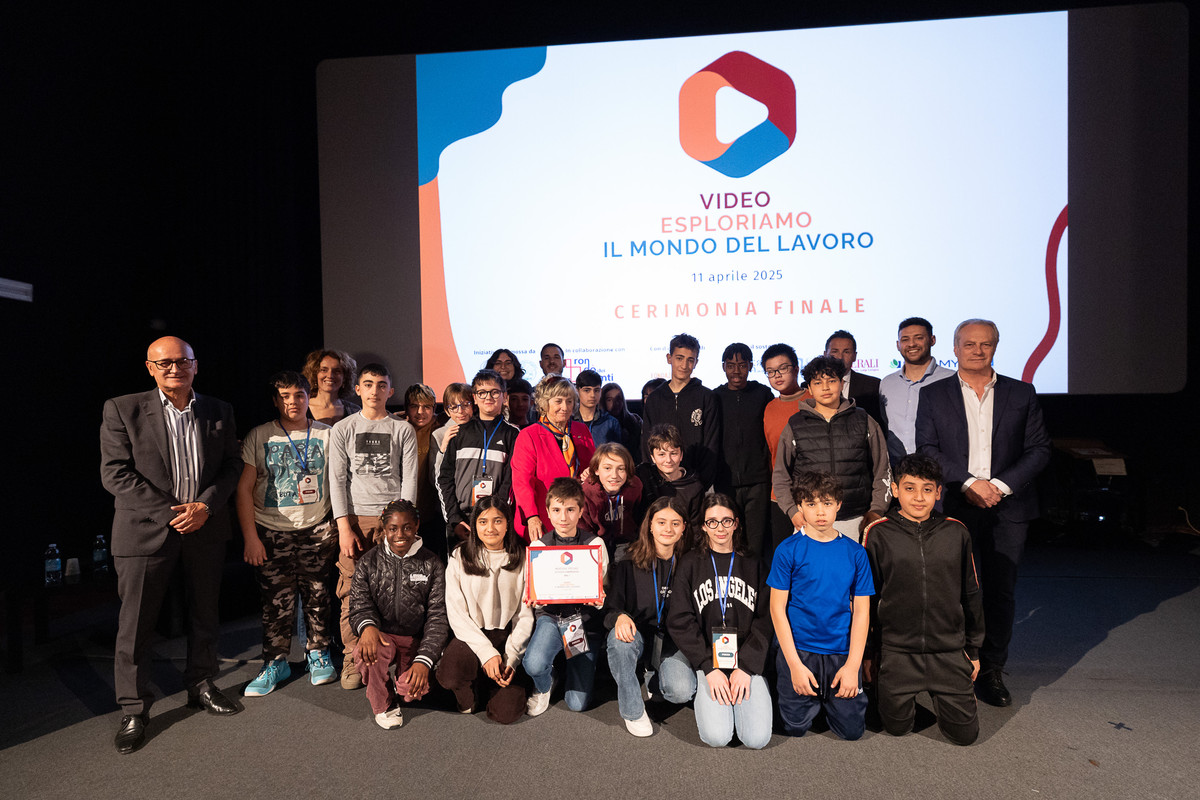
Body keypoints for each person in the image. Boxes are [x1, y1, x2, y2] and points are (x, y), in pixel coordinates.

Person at [100, 336, 242, 754]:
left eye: (182, 361)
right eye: (164, 363)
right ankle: (134, 708)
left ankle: (201, 684)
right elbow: (115, 473)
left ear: (195, 365)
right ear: (150, 368)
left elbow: (232, 464)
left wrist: (205, 507)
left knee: (205, 614)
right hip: (145, 530)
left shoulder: (219, 409)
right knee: (136, 625)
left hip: (205, 527)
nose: (174, 369)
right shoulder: (122, 408)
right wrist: (172, 513)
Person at [916, 318, 1050, 707]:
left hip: (1009, 507)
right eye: (969, 344)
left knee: (1000, 591)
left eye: (985, 344)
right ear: (954, 349)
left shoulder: (1021, 393)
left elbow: (1039, 449)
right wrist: (970, 483)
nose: (977, 350)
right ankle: (957, 667)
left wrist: (1000, 486)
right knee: (954, 590)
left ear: (995, 347)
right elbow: (927, 448)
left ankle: (991, 669)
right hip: (958, 503)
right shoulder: (934, 394)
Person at [863, 453, 984, 745]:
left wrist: (973, 650)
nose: (919, 497)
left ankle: (948, 694)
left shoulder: (956, 531)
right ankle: (888, 691)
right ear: (895, 490)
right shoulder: (877, 534)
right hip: (898, 651)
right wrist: (869, 653)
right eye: (910, 488)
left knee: (965, 736)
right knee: (897, 728)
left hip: (948, 650)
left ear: (938, 492)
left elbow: (971, 593)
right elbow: (867, 599)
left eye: (927, 489)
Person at [236, 371, 338, 697]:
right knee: (275, 602)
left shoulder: (327, 434)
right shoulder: (260, 435)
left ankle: (318, 654)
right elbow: (243, 490)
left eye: (298, 395)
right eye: (284, 396)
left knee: (318, 596)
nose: (292, 402)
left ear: (308, 397)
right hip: (271, 532)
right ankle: (275, 662)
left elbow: (340, 484)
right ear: (275, 400)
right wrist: (251, 538)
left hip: (317, 529)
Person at [329, 363, 418, 690]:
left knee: (396, 590)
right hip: (356, 520)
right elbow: (336, 480)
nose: (374, 390)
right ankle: (352, 658)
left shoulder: (402, 429)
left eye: (381, 385)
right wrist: (344, 527)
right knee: (352, 591)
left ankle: (393, 659)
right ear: (358, 389)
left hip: (392, 520)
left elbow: (409, 479)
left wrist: (405, 525)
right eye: (368, 384)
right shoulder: (343, 428)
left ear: (390, 390)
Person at [768, 471, 874, 740]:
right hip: (801, 650)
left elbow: (862, 612)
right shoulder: (787, 550)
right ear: (800, 506)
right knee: (794, 728)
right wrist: (794, 666)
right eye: (811, 503)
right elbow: (777, 609)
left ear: (838, 505)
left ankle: (828, 700)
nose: (820, 511)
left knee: (852, 732)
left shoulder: (856, 553)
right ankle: (805, 696)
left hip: (841, 651)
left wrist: (853, 666)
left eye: (827, 503)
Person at [666, 494, 773, 749]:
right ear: (704, 527)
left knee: (757, 740)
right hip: (708, 658)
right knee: (717, 737)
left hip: (746, 658)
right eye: (712, 522)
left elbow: (767, 619)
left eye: (726, 521)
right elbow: (680, 619)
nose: (720, 528)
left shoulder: (754, 563)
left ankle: (753, 690)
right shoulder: (690, 563)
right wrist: (708, 667)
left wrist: (746, 667)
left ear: (736, 523)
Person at [348, 499, 448, 729]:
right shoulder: (368, 562)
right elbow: (359, 604)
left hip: (414, 639)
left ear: (417, 526)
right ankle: (383, 703)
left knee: (411, 690)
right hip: (382, 636)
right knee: (367, 652)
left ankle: (403, 682)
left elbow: (438, 617)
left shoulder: (432, 563)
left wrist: (424, 660)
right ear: (384, 528)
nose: (400, 535)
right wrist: (367, 627)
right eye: (393, 528)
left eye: (407, 527)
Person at [603, 497, 697, 736]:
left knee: (681, 692)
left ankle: (653, 674)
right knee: (619, 641)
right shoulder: (628, 561)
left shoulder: (692, 563)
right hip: (638, 635)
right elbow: (611, 608)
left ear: (684, 527)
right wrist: (619, 617)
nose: (668, 529)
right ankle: (633, 711)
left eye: (675, 523)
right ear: (650, 526)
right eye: (661, 522)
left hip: (673, 640)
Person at [436, 497, 534, 724]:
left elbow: (524, 615)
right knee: (450, 675)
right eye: (483, 522)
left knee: (507, 714)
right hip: (472, 635)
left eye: (497, 521)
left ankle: (492, 683)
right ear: (474, 525)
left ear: (508, 524)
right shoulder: (460, 556)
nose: (490, 528)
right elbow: (457, 613)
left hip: (507, 636)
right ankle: (471, 691)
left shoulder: (522, 557)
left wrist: (512, 657)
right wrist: (486, 653)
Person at [771, 355, 890, 540]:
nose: (825, 387)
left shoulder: (864, 421)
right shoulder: (795, 425)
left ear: (841, 383)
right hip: (809, 521)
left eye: (831, 381)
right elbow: (780, 476)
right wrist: (793, 511)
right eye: (818, 383)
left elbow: (883, 471)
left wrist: (876, 510)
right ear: (809, 388)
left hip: (856, 519)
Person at [523, 478, 610, 715]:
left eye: (570, 510)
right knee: (533, 664)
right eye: (557, 510)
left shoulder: (595, 544)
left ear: (580, 511)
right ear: (548, 512)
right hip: (551, 618)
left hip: (580, 621)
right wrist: (533, 599)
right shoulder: (538, 547)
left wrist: (599, 600)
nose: (563, 517)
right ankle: (546, 682)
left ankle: (571, 665)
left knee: (577, 703)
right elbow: (533, 592)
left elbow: (604, 589)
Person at [437, 369, 519, 547]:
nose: (488, 397)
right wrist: (454, 519)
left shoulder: (513, 434)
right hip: (461, 522)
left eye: (494, 392)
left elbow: (511, 480)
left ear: (504, 396)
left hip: (495, 521)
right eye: (482, 393)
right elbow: (444, 478)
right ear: (474, 397)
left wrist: (496, 515)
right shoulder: (459, 432)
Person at [510, 374, 597, 540]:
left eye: (569, 401)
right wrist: (531, 517)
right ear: (545, 403)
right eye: (558, 401)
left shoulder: (581, 431)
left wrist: (590, 473)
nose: (565, 407)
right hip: (543, 520)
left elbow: (592, 468)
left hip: (578, 519)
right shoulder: (529, 435)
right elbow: (522, 482)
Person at [713, 342, 773, 559]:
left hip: (758, 481)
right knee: (730, 538)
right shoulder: (715, 397)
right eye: (730, 365)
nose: (736, 371)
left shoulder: (762, 393)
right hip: (725, 481)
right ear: (723, 367)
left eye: (742, 365)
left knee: (756, 542)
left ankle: (756, 578)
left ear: (750, 366)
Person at [641, 333, 721, 489]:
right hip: (660, 486)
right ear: (669, 358)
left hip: (696, 484)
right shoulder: (655, 398)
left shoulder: (706, 397)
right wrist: (654, 481)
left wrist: (700, 483)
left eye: (690, 360)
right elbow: (647, 444)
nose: (684, 365)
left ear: (696, 362)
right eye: (679, 358)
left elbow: (712, 444)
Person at [879, 317, 954, 468]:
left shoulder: (951, 380)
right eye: (905, 339)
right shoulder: (887, 383)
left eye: (919, 338)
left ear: (932, 340)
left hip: (939, 469)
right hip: (896, 470)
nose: (912, 344)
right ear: (898, 345)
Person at [761, 343, 811, 561]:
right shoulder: (769, 407)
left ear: (796, 368)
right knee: (784, 560)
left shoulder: (814, 400)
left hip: (813, 495)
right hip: (780, 498)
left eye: (783, 368)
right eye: (771, 371)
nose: (777, 375)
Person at [636, 423, 704, 535]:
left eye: (673, 453)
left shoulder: (694, 487)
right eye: (661, 454)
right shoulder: (644, 475)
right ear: (652, 457)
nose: (668, 460)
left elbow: (695, 528)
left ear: (681, 455)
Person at [580, 443, 643, 560]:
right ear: (596, 470)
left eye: (621, 469)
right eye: (607, 468)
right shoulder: (586, 492)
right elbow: (584, 527)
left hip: (627, 542)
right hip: (595, 543)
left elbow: (638, 514)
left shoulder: (635, 486)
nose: (614, 475)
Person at [404, 383, 446, 560]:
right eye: (415, 406)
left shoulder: (441, 427)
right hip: (405, 513)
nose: (420, 412)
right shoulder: (398, 428)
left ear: (434, 409)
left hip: (433, 514)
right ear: (407, 408)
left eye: (426, 407)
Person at [825, 330, 886, 430]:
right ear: (825, 354)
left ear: (854, 356)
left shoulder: (872, 385)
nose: (840, 357)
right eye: (835, 351)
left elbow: (878, 425)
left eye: (846, 352)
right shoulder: (809, 386)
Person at [303, 348, 361, 425]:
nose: (330, 375)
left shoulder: (354, 411)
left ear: (344, 377)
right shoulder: (302, 409)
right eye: (324, 370)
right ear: (314, 375)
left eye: (337, 371)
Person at [431, 382, 474, 484]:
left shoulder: (481, 430)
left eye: (465, 405)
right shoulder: (438, 435)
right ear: (447, 411)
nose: (460, 411)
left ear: (473, 405)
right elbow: (433, 477)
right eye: (454, 407)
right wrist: (443, 449)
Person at [573, 369, 622, 446]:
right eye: (587, 390)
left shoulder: (610, 423)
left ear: (601, 391)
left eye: (596, 390)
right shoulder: (569, 420)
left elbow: (617, 451)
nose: (592, 395)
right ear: (577, 391)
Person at [601, 381, 642, 455]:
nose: (615, 403)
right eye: (609, 400)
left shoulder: (635, 420)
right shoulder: (599, 424)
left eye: (618, 399)